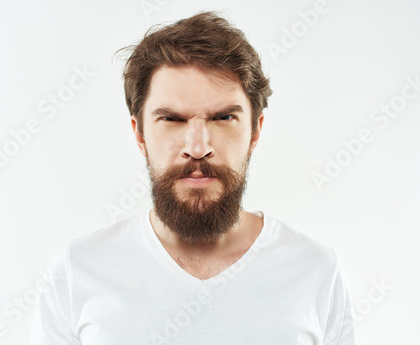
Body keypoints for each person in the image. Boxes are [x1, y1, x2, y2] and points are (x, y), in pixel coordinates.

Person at [28, 11, 358, 345]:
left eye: (223, 117)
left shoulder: (316, 271)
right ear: (139, 134)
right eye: (172, 119)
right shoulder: (78, 271)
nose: (198, 148)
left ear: (255, 132)